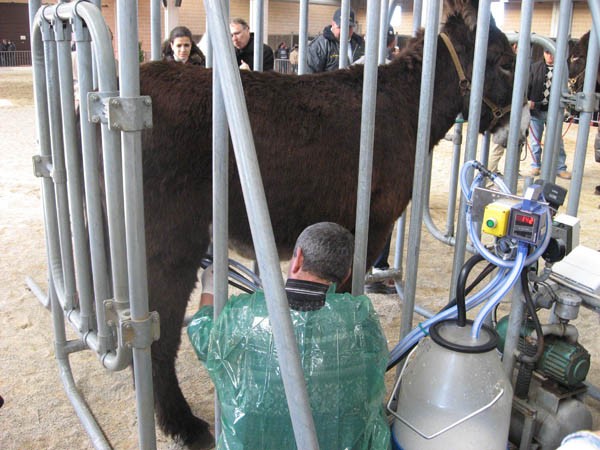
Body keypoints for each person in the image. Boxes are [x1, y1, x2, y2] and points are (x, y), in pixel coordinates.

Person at [188, 222, 391, 450]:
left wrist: (210, 288)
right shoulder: (360, 318)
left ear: (298, 259)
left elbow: (201, 334)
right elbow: (375, 368)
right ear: (346, 275)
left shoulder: (241, 315)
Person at [527, 48, 571, 179]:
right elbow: (528, 85)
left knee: (558, 140)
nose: (550, 56)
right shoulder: (534, 67)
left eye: (552, 53)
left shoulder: (563, 69)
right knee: (535, 140)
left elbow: (566, 89)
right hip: (536, 110)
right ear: (543, 53)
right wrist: (528, 101)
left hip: (555, 111)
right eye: (547, 53)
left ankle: (560, 167)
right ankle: (536, 165)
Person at [306, 8, 365, 73]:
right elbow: (309, 75)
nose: (345, 31)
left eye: (349, 27)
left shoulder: (360, 44)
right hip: (328, 83)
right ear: (333, 24)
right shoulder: (320, 45)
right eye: (341, 27)